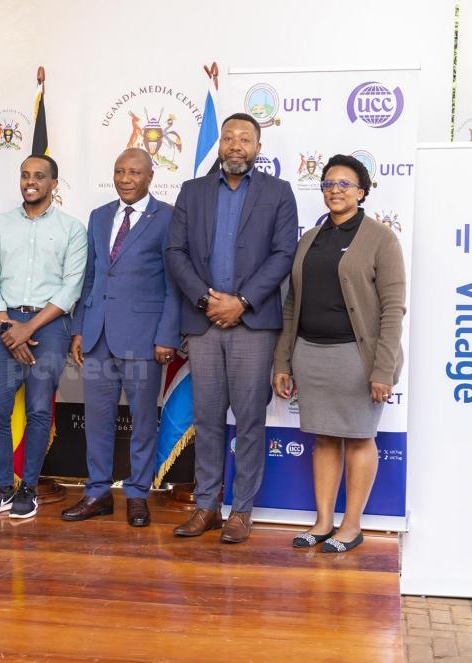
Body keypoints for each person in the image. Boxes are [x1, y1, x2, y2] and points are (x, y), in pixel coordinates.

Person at [165, 112, 298, 544]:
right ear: (219, 146)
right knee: (206, 419)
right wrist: (207, 301)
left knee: (249, 421)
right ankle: (206, 506)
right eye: (228, 138)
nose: (235, 145)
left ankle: (241, 510)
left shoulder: (278, 193)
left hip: (253, 325)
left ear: (258, 148)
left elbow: (283, 254)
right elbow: (176, 251)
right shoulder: (192, 191)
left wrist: (241, 302)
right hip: (204, 324)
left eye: (245, 139)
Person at [272, 154, 406, 553]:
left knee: (360, 438)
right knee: (325, 440)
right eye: (329, 184)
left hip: (357, 359)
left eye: (344, 184)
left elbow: (393, 307)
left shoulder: (381, 238)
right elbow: (292, 304)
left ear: (361, 192)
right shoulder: (310, 239)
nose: (335, 190)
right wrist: (283, 360)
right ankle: (323, 522)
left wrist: (382, 369)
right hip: (311, 355)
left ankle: (352, 526)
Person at [61, 148, 180, 527]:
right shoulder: (99, 216)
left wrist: (166, 335)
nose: (125, 179)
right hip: (97, 336)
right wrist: (79, 327)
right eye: (119, 171)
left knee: (143, 420)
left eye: (134, 172)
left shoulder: (168, 218)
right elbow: (91, 276)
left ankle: (137, 494)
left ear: (150, 177)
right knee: (97, 419)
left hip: (144, 339)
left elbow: (174, 283)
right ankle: (96, 493)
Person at [0, 154, 87, 520]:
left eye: (39, 176)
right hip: (4, 323)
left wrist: (29, 329)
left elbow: (71, 287)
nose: (30, 181)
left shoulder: (72, 229)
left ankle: (28, 489)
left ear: (54, 183)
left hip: (49, 326)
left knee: (39, 409)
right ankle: (2, 487)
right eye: (25, 175)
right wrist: (8, 327)